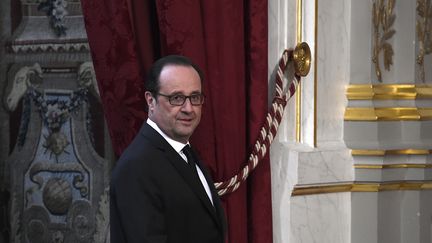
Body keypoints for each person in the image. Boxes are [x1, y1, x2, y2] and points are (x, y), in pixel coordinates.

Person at [110, 55, 227, 243]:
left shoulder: (184, 151)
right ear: (150, 101)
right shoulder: (137, 167)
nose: (189, 108)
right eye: (177, 98)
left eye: (195, 97)